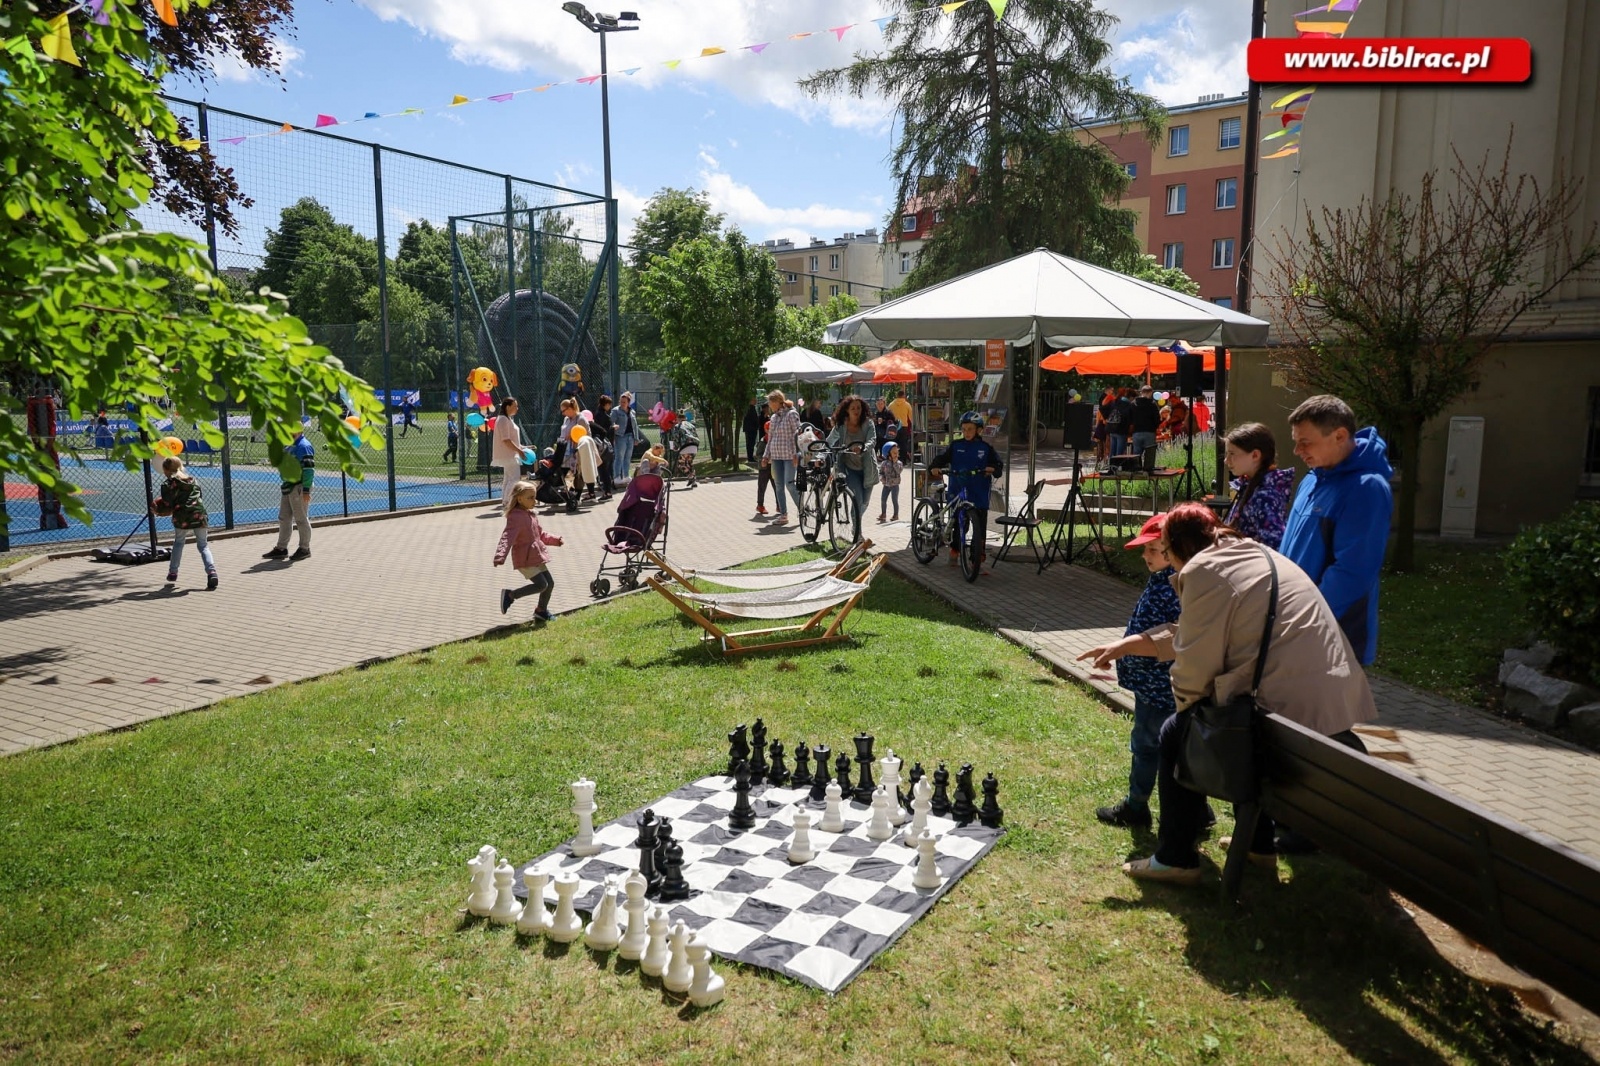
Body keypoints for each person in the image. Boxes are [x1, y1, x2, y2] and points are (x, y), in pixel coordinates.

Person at [1080, 503, 1377, 884]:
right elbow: (1194, 631)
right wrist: (1127, 646)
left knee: (1179, 731)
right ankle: (1257, 846)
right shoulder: (1251, 554)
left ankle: (1176, 858)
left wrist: (1189, 714)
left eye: (1165, 553)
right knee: (1235, 721)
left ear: (1177, 547)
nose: (1167, 564)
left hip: (1290, 708)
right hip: (1328, 702)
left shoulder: (1205, 569)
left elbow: (1194, 663)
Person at [1279, 395, 1392, 666]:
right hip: (1293, 625)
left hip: (1331, 636)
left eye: (1305, 442)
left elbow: (1353, 571)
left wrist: (1302, 619)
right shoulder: (1311, 479)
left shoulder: (1367, 488)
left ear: (1340, 435)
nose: (1297, 451)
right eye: (1296, 441)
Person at [1090, 514, 1181, 829]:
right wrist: (1116, 648)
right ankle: (1196, 812)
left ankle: (1136, 807)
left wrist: (1122, 649)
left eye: (1152, 550)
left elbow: (1167, 639)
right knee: (1172, 748)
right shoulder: (1161, 579)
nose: (1145, 556)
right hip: (1151, 684)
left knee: (1147, 746)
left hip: (1160, 688)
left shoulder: (1176, 586)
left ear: (1172, 550)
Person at [927, 411, 1002, 572]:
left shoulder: (985, 448)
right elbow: (942, 458)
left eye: (970, 429)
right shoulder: (956, 445)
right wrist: (934, 467)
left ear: (979, 430)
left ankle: (977, 557)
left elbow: (997, 465)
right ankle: (955, 550)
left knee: (979, 526)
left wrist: (993, 469)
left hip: (979, 492)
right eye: (964, 429)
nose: (966, 432)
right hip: (958, 489)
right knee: (958, 523)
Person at [494, 479, 563, 624]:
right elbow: (506, 537)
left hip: (536, 555)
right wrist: (500, 555)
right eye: (530, 498)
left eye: (535, 497)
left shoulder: (531, 514)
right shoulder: (515, 517)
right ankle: (510, 595)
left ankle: (541, 611)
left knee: (549, 583)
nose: (535, 501)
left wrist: (555, 540)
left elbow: (541, 534)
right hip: (525, 558)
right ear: (519, 499)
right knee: (541, 585)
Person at [1223, 423, 1295, 550]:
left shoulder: (1265, 496)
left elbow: (1275, 545)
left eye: (1232, 454)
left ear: (1255, 455)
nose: (1226, 460)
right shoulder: (1250, 485)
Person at [153, 456, 218, 590]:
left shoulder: (167, 485)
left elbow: (168, 504)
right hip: (199, 513)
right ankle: (211, 572)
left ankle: (173, 572)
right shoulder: (192, 480)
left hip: (182, 515)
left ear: (165, 470)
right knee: (203, 545)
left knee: (179, 542)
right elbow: (199, 496)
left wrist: (159, 510)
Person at [827, 395, 878, 543]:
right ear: (847, 410)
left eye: (859, 408)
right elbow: (830, 441)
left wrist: (863, 447)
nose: (856, 411)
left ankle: (854, 515)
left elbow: (872, 440)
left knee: (864, 503)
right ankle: (858, 535)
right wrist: (819, 453)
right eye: (853, 408)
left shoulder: (868, 424)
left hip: (867, 467)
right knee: (858, 499)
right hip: (849, 468)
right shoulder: (841, 426)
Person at [263, 428, 314, 561]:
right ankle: (281, 548)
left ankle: (304, 548)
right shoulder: (289, 445)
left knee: (301, 518)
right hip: (288, 486)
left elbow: (309, 469)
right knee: (284, 517)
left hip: (299, 486)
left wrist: (306, 489)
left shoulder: (304, 446)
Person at [761, 390, 803, 526]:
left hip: (790, 457)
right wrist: (765, 456)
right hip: (776, 457)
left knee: (789, 484)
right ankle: (783, 515)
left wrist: (797, 453)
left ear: (777, 402)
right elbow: (771, 438)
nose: (768, 405)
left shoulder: (791, 414)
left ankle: (803, 510)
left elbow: (799, 434)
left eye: (770, 402)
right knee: (778, 486)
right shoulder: (773, 418)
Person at [493, 396, 527, 505]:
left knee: (508, 478)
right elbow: (506, 440)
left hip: (511, 454)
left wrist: (522, 447)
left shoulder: (508, 419)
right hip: (509, 454)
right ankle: (508, 501)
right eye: (515, 406)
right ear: (507, 407)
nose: (517, 408)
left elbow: (512, 439)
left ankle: (505, 501)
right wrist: (519, 451)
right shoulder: (503, 419)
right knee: (514, 479)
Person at [591, 395, 617, 499]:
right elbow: (603, 430)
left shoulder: (598, 414)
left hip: (602, 445)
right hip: (603, 446)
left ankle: (607, 490)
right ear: (605, 404)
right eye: (609, 404)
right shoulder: (602, 415)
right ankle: (607, 490)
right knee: (604, 468)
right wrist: (612, 428)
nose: (610, 407)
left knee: (604, 468)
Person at [611, 392, 638, 484]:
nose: (622, 403)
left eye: (624, 402)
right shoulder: (615, 411)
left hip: (630, 436)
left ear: (628, 403)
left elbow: (635, 426)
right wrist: (614, 427)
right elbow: (611, 422)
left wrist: (636, 438)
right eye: (621, 401)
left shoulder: (632, 411)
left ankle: (626, 476)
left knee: (628, 457)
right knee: (619, 457)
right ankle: (617, 477)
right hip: (620, 436)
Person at [1129, 385, 1161, 461]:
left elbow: (1130, 417)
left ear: (1141, 392)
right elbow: (1157, 418)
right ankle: (1148, 471)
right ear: (1151, 393)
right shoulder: (1152, 404)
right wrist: (1155, 427)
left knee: (1136, 454)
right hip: (1149, 432)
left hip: (1136, 432)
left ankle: (1137, 470)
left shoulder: (1133, 404)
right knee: (1149, 454)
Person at [753, 402, 773, 516]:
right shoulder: (763, 441)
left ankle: (779, 505)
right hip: (764, 468)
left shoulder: (775, 440)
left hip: (774, 467)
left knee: (777, 487)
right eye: (770, 430)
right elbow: (758, 455)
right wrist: (763, 460)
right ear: (766, 430)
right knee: (762, 487)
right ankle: (760, 505)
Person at [877, 442, 903, 524]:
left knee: (894, 500)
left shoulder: (899, 463)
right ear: (887, 454)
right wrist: (882, 479)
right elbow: (880, 473)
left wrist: (895, 463)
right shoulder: (884, 463)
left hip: (895, 485)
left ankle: (896, 515)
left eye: (897, 452)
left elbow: (899, 471)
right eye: (894, 453)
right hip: (886, 485)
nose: (896, 454)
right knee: (883, 500)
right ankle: (883, 514)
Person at [742, 395, 765, 465]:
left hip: (752, 428)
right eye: (754, 400)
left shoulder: (752, 408)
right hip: (750, 429)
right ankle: (750, 458)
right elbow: (752, 419)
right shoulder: (749, 409)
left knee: (751, 443)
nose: (756, 401)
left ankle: (751, 457)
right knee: (750, 443)